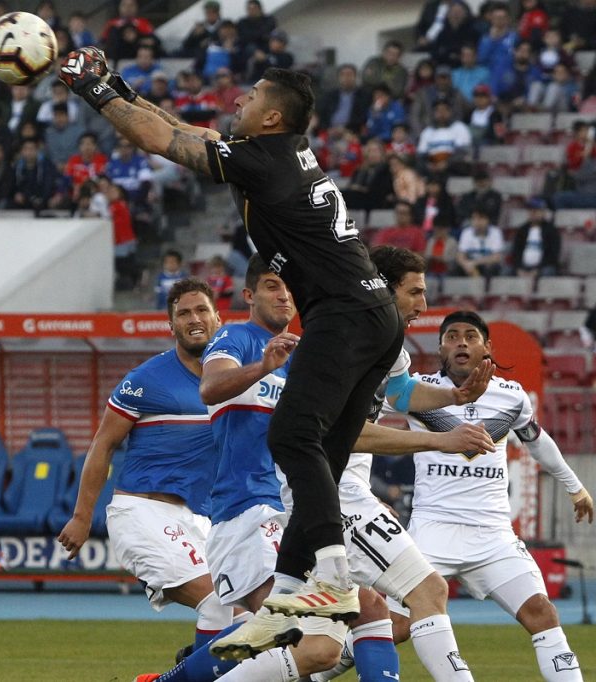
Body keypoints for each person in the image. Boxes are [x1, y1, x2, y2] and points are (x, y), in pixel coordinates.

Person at [57, 53, 404, 629]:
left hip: (343, 315)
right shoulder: (279, 153)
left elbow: (160, 142)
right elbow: (186, 131)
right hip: (375, 315)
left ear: (272, 119)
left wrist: (90, 88)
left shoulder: (264, 163)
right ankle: (290, 589)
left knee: (292, 438)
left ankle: (334, 576)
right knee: (325, 451)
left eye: (253, 95)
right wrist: (120, 86)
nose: (240, 100)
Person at [144, 250, 492, 680]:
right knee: (308, 638)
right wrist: (440, 439)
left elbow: (399, 393)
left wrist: (453, 398)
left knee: (341, 626)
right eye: (273, 285)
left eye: (290, 286)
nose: (286, 295)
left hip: (298, 501)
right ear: (250, 294)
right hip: (252, 507)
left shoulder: (311, 349)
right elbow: (214, 388)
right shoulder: (241, 339)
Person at [387, 310, 593, 682]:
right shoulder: (415, 391)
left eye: (470, 336)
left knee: (542, 613)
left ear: (487, 348)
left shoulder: (511, 396)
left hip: (493, 536)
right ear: (440, 347)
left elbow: (537, 442)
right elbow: (360, 419)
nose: (461, 342)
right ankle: (316, 669)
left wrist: (574, 486)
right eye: (451, 336)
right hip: (432, 532)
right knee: (393, 628)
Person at [57, 278, 234, 654]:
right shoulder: (146, 380)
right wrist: (81, 516)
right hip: (144, 512)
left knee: (246, 616)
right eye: (183, 313)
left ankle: (189, 669)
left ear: (219, 318)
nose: (194, 318)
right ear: (171, 326)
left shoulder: (236, 381)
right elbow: (103, 444)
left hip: (200, 519)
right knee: (220, 602)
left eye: (202, 310)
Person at [509, 197, 560, 278]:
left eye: (536, 210)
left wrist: (537, 270)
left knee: (547, 272)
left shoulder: (552, 231)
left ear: (543, 212)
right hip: (523, 267)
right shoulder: (522, 230)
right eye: (531, 210)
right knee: (506, 271)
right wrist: (519, 269)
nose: (533, 213)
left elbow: (552, 255)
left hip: (543, 267)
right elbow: (516, 252)